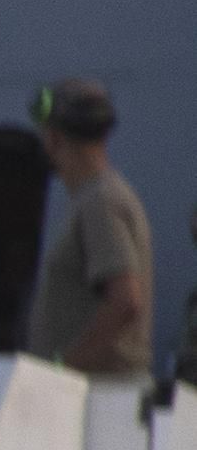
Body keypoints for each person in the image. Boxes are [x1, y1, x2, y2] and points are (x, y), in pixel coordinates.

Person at [21, 80, 153, 379]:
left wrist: (61, 369)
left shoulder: (101, 201)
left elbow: (125, 299)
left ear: (53, 138)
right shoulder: (95, 199)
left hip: (96, 398)